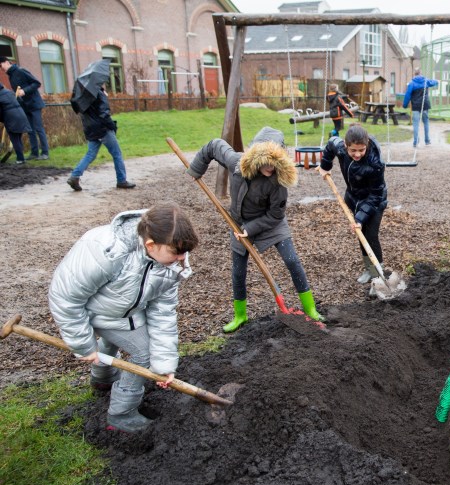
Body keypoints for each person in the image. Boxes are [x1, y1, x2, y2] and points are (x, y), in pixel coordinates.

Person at [48, 204, 199, 433]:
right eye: (176, 253)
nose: (181, 259)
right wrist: (83, 345)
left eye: (184, 253)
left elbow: (163, 314)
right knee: (143, 353)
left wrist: (165, 364)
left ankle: (103, 379)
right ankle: (121, 415)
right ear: (150, 245)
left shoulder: (170, 266)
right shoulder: (107, 250)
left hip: (124, 311)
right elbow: (65, 297)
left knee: (118, 340)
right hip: (92, 311)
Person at [188, 127, 323, 329]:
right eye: (267, 161)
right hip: (238, 224)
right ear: (256, 157)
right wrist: (197, 169)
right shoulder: (236, 162)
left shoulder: (278, 181)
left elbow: (276, 214)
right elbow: (214, 146)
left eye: (275, 162)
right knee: (238, 271)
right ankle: (240, 315)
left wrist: (251, 229)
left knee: (292, 260)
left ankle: (310, 309)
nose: (271, 166)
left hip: (270, 223)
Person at [319, 124, 387, 284]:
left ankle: (378, 277)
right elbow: (330, 145)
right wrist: (325, 166)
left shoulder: (375, 163)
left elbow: (376, 194)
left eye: (361, 150)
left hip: (375, 200)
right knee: (360, 233)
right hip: (353, 198)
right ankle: (370, 270)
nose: (357, 154)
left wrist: (360, 218)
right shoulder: (340, 147)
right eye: (353, 150)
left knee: (370, 236)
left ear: (367, 145)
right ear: (345, 145)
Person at [67, 83, 135, 191]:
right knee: (117, 154)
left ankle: (74, 176)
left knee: (90, 154)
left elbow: (78, 111)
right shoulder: (98, 93)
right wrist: (112, 126)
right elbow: (104, 113)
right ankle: (122, 180)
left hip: (90, 129)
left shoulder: (81, 95)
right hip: (102, 129)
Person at [0, 56, 49, 160]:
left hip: (34, 104)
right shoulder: (11, 75)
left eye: (1, 65)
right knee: (30, 130)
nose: (1, 69)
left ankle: (45, 153)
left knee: (38, 128)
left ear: (6, 62)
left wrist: (24, 91)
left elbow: (37, 83)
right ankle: (34, 153)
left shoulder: (21, 71)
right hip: (24, 106)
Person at [402, 67, 438, 147]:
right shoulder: (426, 81)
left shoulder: (411, 83)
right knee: (426, 122)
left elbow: (407, 95)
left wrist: (405, 105)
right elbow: (434, 82)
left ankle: (415, 141)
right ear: (420, 73)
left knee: (416, 123)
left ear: (415, 74)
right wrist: (436, 82)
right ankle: (427, 140)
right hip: (425, 105)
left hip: (415, 105)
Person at [0, 82, 31, 164]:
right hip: (21, 115)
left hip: (11, 118)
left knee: (14, 139)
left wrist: (3, 120)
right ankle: (21, 158)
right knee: (18, 138)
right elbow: (20, 101)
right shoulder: (9, 92)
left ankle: (20, 159)